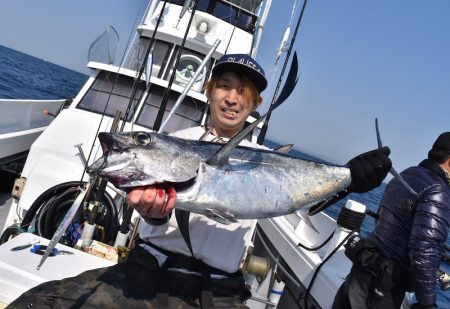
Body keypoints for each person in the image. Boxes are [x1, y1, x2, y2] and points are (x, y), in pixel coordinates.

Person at [8, 54, 392, 309]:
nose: (232, 98)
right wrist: (155, 215)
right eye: (225, 85)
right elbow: (155, 206)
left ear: (255, 104)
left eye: (244, 92)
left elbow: (294, 198)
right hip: (145, 272)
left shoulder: (266, 159)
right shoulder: (180, 144)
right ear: (209, 90)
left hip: (218, 292)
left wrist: (349, 180)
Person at [332, 132, 450, 309]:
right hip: (383, 288)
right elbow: (425, 249)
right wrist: (427, 303)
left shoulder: (407, 174)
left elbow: (380, 219)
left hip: (362, 270)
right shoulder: (438, 191)